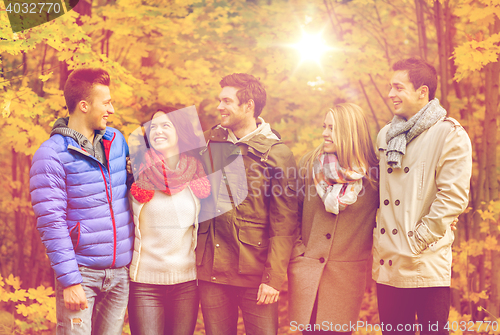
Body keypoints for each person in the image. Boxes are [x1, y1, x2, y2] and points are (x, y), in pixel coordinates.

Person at [29, 68, 134, 334]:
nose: (112, 109)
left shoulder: (117, 141)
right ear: (84, 106)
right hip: (82, 273)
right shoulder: (51, 154)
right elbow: (51, 222)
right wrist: (70, 281)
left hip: (120, 272)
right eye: (106, 102)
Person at [372, 57, 472, 334]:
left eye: (398, 87)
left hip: (424, 262)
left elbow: (452, 198)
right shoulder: (385, 135)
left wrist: (417, 241)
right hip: (388, 262)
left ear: (422, 92)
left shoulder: (449, 134)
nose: (391, 94)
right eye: (390, 87)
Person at [196, 73, 299, 335]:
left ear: (248, 105)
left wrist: (273, 279)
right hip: (212, 272)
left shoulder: (278, 154)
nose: (220, 107)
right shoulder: (209, 141)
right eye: (220, 100)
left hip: (256, 276)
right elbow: (170, 165)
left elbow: (284, 224)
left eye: (227, 101)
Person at [288, 103, 379, 335]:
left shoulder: (374, 176)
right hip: (307, 274)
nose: (324, 133)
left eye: (332, 128)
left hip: (345, 281)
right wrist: (299, 253)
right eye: (324, 126)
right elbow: (292, 215)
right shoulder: (309, 165)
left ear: (350, 132)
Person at [127, 106, 211, 335]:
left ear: (180, 131)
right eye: (153, 126)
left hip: (186, 284)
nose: (158, 131)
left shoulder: (196, 175)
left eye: (166, 125)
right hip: (144, 283)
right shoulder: (135, 172)